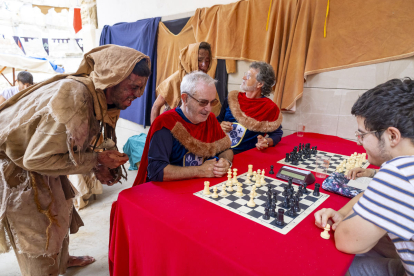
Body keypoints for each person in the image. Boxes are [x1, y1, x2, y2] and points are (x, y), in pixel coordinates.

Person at [0, 45, 151, 276]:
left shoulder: (103, 97)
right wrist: (96, 161)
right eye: (133, 87)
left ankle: (63, 260)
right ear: (111, 78)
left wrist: (98, 164)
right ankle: (44, 270)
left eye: (142, 88)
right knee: (39, 234)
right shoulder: (76, 96)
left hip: (42, 160)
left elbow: (82, 142)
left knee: (61, 208)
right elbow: (35, 159)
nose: (138, 94)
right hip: (17, 167)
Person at [314, 78, 414, 276]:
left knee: (331, 266)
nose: (359, 142)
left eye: (362, 134)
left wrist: (345, 222)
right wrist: (343, 213)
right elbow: (375, 191)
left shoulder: (399, 173)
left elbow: (347, 241)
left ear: (392, 136)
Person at [135, 71, 232, 185]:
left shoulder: (210, 119)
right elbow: (156, 171)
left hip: (201, 188)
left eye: (212, 102)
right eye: (203, 102)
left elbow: (225, 149)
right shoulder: (165, 123)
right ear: (185, 98)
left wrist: (226, 162)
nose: (209, 109)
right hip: (169, 192)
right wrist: (199, 170)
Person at [216, 61, 283, 154]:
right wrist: (220, 125)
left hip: (246, 156)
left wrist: (266, 141)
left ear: (259, 84)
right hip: (220, 151)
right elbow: (218, 120)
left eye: (248, 76)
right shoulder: (232, 98)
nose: (243, 78)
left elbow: (277, 133)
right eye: (245, 74)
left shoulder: (270, 107)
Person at [150, 42, 221, 123]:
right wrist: (154, 132)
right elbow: (156, 106)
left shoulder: (206, 82)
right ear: (190, 60)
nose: (204, 65)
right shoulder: (176, 79)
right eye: (199, 60)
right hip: (173, 126)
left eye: (207, 60)